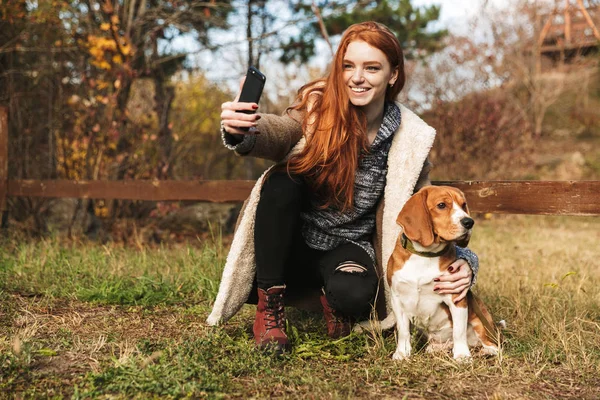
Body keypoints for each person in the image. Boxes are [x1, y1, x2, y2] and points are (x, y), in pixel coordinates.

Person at [206, 21, 478, 353]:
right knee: (281, 181)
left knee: (355, 295)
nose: (357, 77)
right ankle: (270, 308)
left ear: (393, 74)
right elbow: (280, 131)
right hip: (292, 245)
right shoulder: (318, 109)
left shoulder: (410, 140)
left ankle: (333, 299)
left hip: (349, 248)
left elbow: (428, 210)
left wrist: (466, 262)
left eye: (372, 67)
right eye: (348, 66)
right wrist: (244, 129)